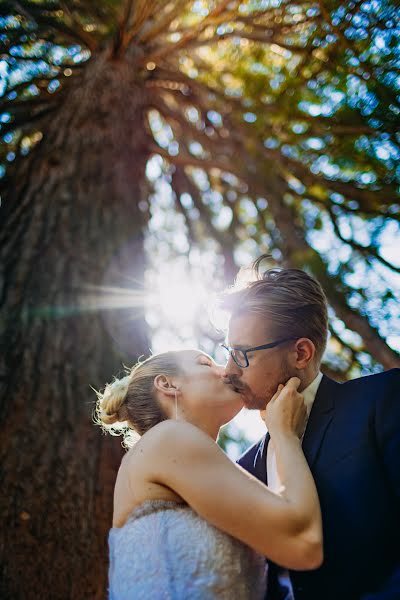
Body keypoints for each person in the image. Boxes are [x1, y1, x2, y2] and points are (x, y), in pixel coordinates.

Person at [220, 255, 400, 600]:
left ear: (301, 353)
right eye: (228, 352)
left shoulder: (382, 401)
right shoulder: (241, 468)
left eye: (243, 355)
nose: (228, 370)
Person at [94, 349, 323, 599]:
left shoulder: (188, 459)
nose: (226, 370)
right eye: (205, 363)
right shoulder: (168, 437)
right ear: (168, 384)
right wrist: (285, 435)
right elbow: (303, 542)